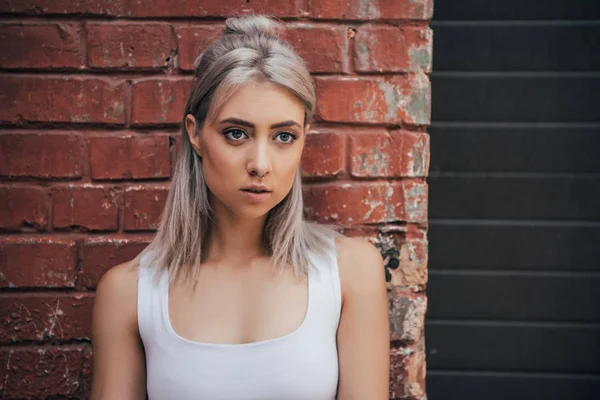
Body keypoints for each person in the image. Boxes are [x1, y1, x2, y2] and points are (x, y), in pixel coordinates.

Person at [90, 15, 389, 400]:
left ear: (303, 139)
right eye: (236, 133)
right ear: (195, 133)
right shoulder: (130, 293)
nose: (261, 163)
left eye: (284, 136)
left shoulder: (349, 274)